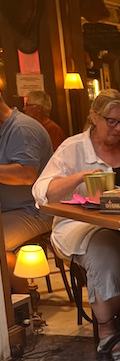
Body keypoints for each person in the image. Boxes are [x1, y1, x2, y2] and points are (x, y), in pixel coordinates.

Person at [32, 89, 120, 361]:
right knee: (107, 249)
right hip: (79, 224)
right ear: (94, 117)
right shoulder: (73, 148)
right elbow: (42, 192)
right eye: (112, 121)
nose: (119, 129)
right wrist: (79, 177)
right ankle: (108, 330)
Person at [0, 88, 53, 294]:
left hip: (35, 210)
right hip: (10, 210)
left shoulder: (22, 128)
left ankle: (25, 298)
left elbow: (26, 174)